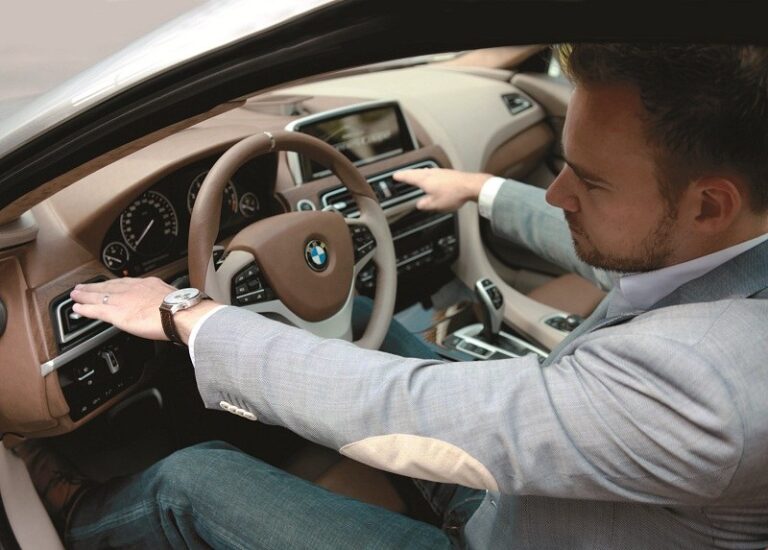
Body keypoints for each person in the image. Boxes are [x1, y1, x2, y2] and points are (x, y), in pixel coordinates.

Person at [45, 43, 768, 548]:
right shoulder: (728, 248)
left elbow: (404, 406)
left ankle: (73, 514)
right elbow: (636, 254)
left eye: (590, 180)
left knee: (191, 479)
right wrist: (479, 188)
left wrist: (190, 314)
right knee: (354, 314)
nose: (558, 192)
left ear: (710, 203)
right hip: (542, 507)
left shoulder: (710, 387)